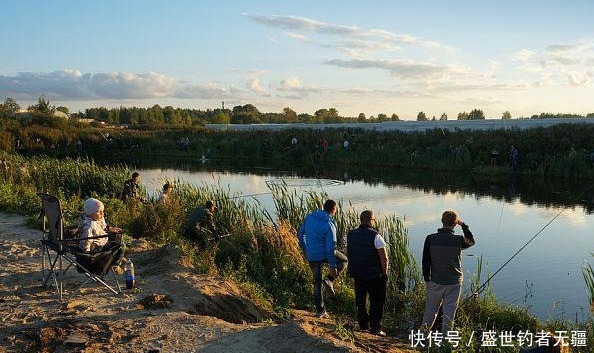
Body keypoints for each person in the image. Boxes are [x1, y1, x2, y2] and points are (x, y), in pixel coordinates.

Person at [421, 210, 475, 333]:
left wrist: (427, 279)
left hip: (435, 281)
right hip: (454, 283)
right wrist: (464, 225)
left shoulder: (430, 239)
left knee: (430, 311)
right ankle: (446, 342)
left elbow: (425, 261)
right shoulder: (459, 240)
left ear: (442, 221)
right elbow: (471, 241)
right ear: (455, 224)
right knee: (449, 313)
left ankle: (422, 337)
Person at [297, 199, 347, 319]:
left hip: (312, 255)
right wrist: (332, 265)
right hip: (324, 254)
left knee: (317, 283)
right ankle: (329, 280)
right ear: (333, 210)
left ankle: (320, 311)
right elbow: (330, 248)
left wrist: (306, 249)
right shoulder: (329, 225)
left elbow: (300, 235)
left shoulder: (309, 217)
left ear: (323, 207)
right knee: (344, 260)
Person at [346, 210, 388, 337]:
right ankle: (375, 328)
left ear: (361, 220)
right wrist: (384, 273)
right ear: (371, 220)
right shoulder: (376, 236)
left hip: (358, 273)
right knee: (376, 301)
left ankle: (363, 324)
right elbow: (384, 258)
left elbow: (350, 252)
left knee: (360, 300)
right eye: (374, 219)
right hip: (374, 275)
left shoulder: (351, 234)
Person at [78, 198, 124, 272]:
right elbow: (86, 241)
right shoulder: (88, 226)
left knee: (116, 236)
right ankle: (116, 264)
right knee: (121, 246)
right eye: (99, 212)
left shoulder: (97, 218)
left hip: (102, 242)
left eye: (102, 211)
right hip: (97, 249)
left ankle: (116, 258)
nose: (102, 214)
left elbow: (103, 226)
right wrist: (87, 255)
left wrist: (110, 228)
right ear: (90, 213)